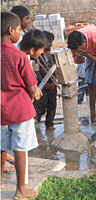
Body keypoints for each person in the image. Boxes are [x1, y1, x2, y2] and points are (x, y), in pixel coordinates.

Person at [1, 12, 47, 199]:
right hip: (18, 109)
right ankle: (20, 188)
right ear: (11, 30)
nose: (20, 33)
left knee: (1, 146)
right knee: (20, 147)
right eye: (19, 29)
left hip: (1, 110)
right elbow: (31, 87)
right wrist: (36, 91)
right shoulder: (19, 56)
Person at [34, 31, 57, 130]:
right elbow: (37, 70)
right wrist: (44, 82)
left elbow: (57, 69)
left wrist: (54, 81)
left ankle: (49, 123)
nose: (50, 44)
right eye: (49, 42)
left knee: (52, 103)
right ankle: (37, 116)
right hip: (42, 82)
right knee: (41, 102)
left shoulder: (54, 54)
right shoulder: (38, 55)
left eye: (51, 42)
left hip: (53, 82)